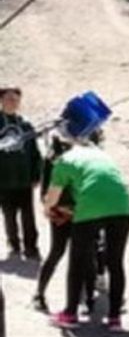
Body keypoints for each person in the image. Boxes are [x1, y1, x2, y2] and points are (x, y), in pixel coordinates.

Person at [44, 131, 129, 330]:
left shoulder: (64, 161)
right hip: (123, 207)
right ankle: (114, 318)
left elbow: (51, 200)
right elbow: (104, 185)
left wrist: (50, 211)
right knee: (115, 262)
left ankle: (69, 314)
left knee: (77, 261)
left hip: (90, 208)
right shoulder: (103, 156)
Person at [31, 133, 72, 313]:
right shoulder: (55, 155)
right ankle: (39, 293)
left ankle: (87, 297)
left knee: (83, 253)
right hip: (63, 210)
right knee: (59, 251)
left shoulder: (57, 152)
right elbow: (46, 189)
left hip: (75, 208)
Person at [0, 86, 41, 261]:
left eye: (16, 99)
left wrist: (36, 174)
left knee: (28, 216)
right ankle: (14, 244)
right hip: (3, 179)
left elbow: (35, 152)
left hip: (24, 179)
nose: (13, 102)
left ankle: (31, 247)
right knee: (9, 215)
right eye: (9, 99)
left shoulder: (25, 125)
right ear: (1, 101)